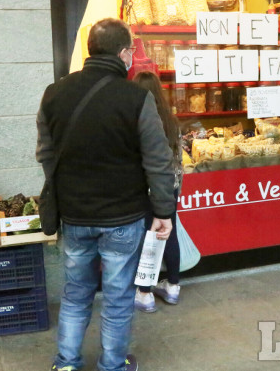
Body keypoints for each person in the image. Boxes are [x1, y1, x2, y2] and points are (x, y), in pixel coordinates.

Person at [36, 18, 176, 371]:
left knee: (75, 292)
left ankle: (66, 363)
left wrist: (66, 189)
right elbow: (158, 161)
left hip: (75, 216)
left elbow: (45, 153)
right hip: (123, 218)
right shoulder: (136, 98)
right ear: (124, 52)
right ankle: (112, 364)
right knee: (117, 297)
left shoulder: (54, 93)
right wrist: (163, 211)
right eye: (131, 50)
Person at [132, 71, 183, 313]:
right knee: (169, 234)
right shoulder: (171, 121)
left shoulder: (136, 118)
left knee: (146, 237)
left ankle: (144, 293)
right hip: (170, 187)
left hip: (146, 188)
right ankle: (173, 286)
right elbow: (179, 160)